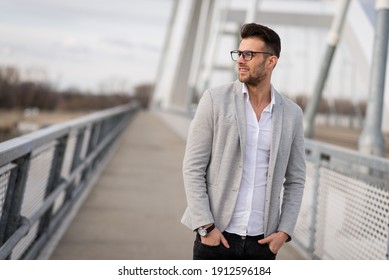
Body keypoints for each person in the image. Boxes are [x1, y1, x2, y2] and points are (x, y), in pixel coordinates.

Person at [181, 23, 306, 260]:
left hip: (262, 244)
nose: (240, 60)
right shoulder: (214, 100)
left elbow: (296, 179)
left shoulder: (292, 114)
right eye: (239, 53)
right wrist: (205, 227)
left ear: (271, 61)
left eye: (249, 54)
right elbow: (192, 167)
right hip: (216, 238)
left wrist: (284, 232)